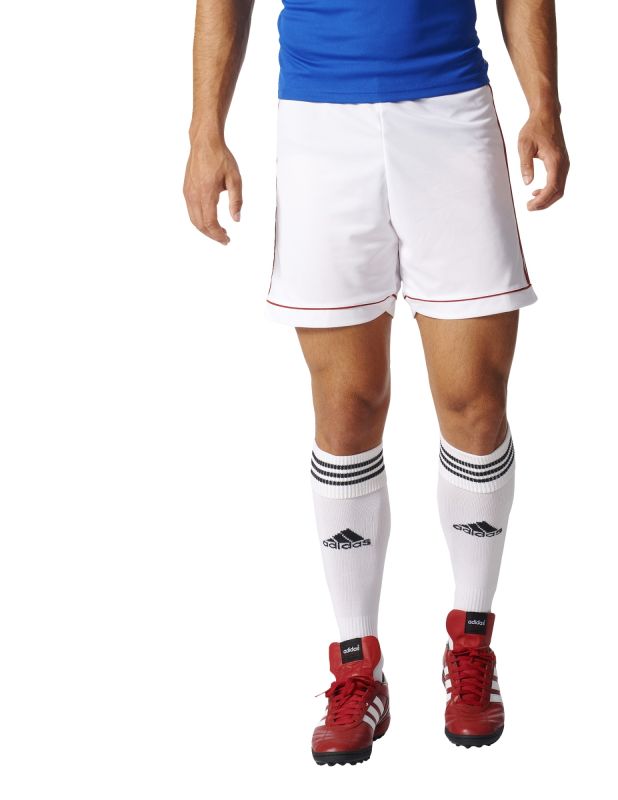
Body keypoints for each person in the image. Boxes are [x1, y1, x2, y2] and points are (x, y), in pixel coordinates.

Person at [184, 0, 569, 767]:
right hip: (320, 122)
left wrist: (544, 104)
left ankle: (471, 643)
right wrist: (204, 132)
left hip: (450, 110)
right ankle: (357, 665)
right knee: (347, 409)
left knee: (475, 405)